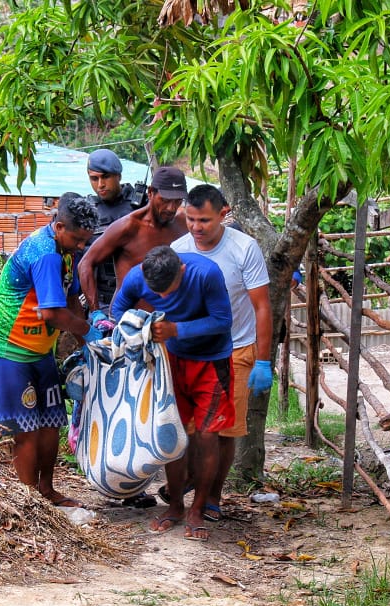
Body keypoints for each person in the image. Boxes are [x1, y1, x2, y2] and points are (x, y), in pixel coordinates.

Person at [0, 193, 102, 508]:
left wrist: (89, 340)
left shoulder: (67, 250)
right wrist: (87, 332)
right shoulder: (46, 253)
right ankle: (30, 503)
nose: (82, 246)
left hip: (39, 349)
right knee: (25, 430)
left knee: (51, 422)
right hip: (7, 349)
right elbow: (52, 314)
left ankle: (47, 492)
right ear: (59, 226)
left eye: (87, 240)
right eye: (78, 239)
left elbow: (72, 299)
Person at [112, 246, 234, 541]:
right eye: (158, 293)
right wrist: (139, 327)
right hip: (170, 363)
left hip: (212, 361)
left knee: (207, 436)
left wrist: (176, 329)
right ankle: (176, 505)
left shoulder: (206, 273)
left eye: (169, 291)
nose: (164, 298)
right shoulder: (137, 275)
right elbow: (118, 309)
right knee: (171, 434)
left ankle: (198, 507)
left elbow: (223, 320)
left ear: (181, 270)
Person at [172, 184, 273, 522]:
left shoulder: (245, 249)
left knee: (223, 430)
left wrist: (262, 359)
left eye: (204, 220)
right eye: (190, 219)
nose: (196, 228)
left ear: (224, 214)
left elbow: (261, 306)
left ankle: (213, 496)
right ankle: (188, 486)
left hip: (235, 351)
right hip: (190, 353)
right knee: (189, 428)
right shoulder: (179, 249)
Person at [78, 166, 189, 312]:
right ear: (150, 193)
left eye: (177, 201)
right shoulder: (128, 227)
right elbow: (85, 264)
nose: (171, 208)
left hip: (172, 320)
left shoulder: (184, 222)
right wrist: (96, 313)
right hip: (130, 321)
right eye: (165, 200)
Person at [83, 149, 143, 313]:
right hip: (103, 302)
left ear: (119, 176)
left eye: (106, 177)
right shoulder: (87, 211)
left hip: (140, 299)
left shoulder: (141, 206)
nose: (100, 184)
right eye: (94, 179)